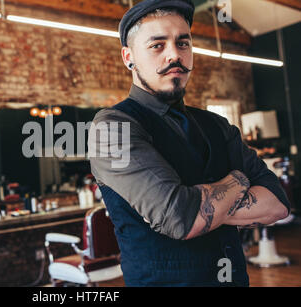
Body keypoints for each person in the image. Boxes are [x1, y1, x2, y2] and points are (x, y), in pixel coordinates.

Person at [88, 0, 290, 287]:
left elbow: (278, 205)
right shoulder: (112, 128)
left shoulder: (216, 125)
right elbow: (180, 218)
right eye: (157, 45)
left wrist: (201, 205)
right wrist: (238, 179)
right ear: (128, 57)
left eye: (183, 44)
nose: (175, 55)